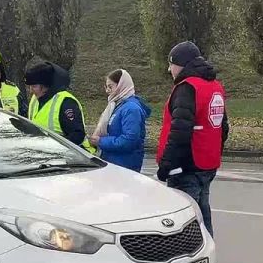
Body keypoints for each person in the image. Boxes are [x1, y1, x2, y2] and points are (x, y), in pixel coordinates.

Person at [156, 41, 230, 235]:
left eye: (171, 64)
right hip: (207, 164)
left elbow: (180, 131)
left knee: (184, 222)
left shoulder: (187, 88)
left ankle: (191, 254)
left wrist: (166, 165)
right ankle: (208, 248)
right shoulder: (215, 86)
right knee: (203, 214)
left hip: (186, 167)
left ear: (181, 64)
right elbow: (223, 127)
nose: (169, 69)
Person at [24, 60, 96, 153]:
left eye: (34, 86)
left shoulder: (66, 102)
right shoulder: (36, 99)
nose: (30, 91)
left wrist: (53, 147)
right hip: (45, 154)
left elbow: (77, 135)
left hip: (74, 156)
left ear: (45, 86)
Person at [89, 69, 150, 172]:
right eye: (106, 87)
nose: (107, 91)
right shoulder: (116, 105)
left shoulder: (131, 109)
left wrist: (101, 141)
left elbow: (129, 140)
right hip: (114, 163)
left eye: (110, 87)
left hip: (125, 165)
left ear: (121, 85)